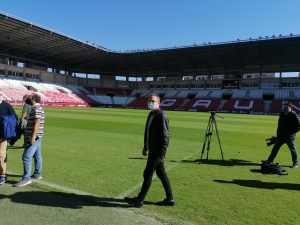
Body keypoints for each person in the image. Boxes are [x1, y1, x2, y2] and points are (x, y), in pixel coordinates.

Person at [125, 94, 175, 207]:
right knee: (161, 174)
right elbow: (148, 132)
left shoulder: (161, 115)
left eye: (152, 101)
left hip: (157, 151)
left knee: (147, 174)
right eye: (148, 101)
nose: (150, 103)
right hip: (152, 149)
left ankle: (139, 200)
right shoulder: (151, 114)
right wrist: (145, 147)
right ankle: (170, 199)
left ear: (158, 102)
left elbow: (165, 137)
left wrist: (162, 154)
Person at [14, 93, 45, 187]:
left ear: (34, 99)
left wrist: (32, 137)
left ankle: (26, 178)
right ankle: (37, 174)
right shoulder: (35, 108)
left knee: (26, 157)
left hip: (34, 137)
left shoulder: (36, 109)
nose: (27, 99)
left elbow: (37, 123)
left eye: (29, 98)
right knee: (37, 155)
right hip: (37, 136)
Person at [267, 102, 300, 168]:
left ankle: (295, 163)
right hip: (280, 136)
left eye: (286, 107)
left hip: (289, 137)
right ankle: (269, 161)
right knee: (275, 149)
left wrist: (289, 132)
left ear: (290, 108)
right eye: (284, 107)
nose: (285, 108)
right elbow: (280, 125)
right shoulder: (282, 114)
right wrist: (277, 135)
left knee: (293, 150)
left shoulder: (294, 116)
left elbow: (299, 126)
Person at [0, 90, 17, 185]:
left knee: (1, 155)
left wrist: (5, 122)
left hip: (3, 135)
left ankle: (3, 175)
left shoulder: (6, 106)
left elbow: (14, 117)